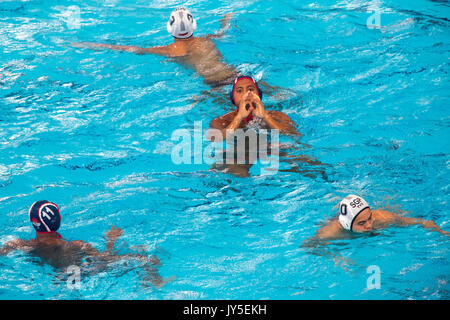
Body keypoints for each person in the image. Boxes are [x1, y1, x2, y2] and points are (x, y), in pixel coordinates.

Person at [0, 200, 171, 288]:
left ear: (33, 222)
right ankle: (153, 285)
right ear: (58, 220)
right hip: (86, 273)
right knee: (145, 257)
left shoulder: (19, 244)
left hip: (54, 278)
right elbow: (105, 258)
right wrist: (110, 241)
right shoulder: (77, 245)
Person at [72, 7, 237, 88]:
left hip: (213, 84)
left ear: (170, 29)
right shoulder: (205, 40)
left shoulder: (170, 51)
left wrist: (95, 45)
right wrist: (226, 20)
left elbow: (133, 49)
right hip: (234, 74)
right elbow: (221, 33)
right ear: (193, 26)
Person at [312, 194, 449, 240]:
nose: (369, 225)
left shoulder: (382, 217)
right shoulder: (330, 232)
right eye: (361, 223)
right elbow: (310, 247)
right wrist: (337, 257)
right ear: (348, 224)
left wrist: (441, 232)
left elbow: (422, 222)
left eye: (369, 218)